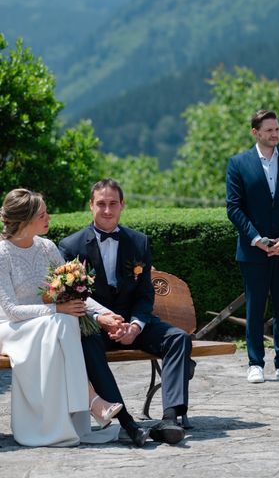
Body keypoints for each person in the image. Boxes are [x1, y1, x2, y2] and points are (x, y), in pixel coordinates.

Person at [59, 179, 192, 446]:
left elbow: (145, 294)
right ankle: (128, 422)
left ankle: (170, 419)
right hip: (94, 326)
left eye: (113, 204)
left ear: (122, 206)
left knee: (178, 338)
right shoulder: (70, 247)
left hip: (131, 323)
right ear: (91, 206)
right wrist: (100, 319)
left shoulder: (139, 242)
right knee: (85, 344)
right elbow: (73, 297)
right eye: (101, 204)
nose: (107, 210)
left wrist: (136, 326)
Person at [0, 188, 121, 446]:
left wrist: (104, 314)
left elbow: (77, 293)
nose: (49, 218)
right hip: (12, 328)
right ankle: (91, 401)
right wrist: (57, 310)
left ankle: (86, 405)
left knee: (64, 322)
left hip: (50, 325)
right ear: (25, 219)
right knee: (62, 320)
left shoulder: (47, 247)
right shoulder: (2, 254)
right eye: (42, 214)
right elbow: (10, 310)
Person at [226, 109, 279, 384]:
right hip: (253, 250)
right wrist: (257, 239)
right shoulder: (238, 164)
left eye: (277, 129)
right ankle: (255, 363)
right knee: (255, 306)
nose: (275, 134)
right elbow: (234, 208)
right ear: (255, 133)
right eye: (269, 130)